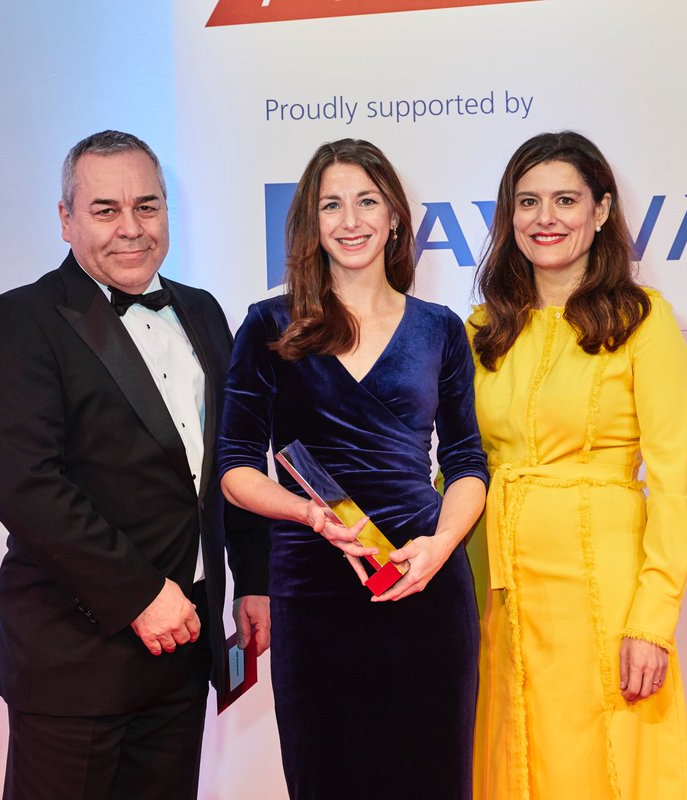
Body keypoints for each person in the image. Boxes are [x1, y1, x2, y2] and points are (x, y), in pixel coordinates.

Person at [0, 130, 270, 800]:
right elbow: (26, 484)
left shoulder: (202, 310)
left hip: (184, 646)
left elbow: (230, 457)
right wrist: (139, 595)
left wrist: (253, 577)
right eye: (106, 210)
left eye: (148, 207)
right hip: (77, 654)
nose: (131, 229)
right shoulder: (19, 320)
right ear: (66, 218)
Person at [217, 139, 488, 800]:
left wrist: (441, 546)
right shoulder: (268, 325)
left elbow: (465, 460)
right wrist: (307, 512)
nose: (350, 219)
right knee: (327, 777)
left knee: (430, 778)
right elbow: (233, 465)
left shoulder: (440, 329)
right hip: (314, 587)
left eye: (367, 201)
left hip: (424, 582)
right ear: (311, 223)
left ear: (395, 215)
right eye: (331, 204)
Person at [467, 131, 687, 799]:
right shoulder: (481, 330)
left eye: (565, 200)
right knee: (513, 763)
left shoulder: (644, 320)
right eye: (528, 201)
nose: (546, 219)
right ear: (509, 217)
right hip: (502, 599)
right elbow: (459, 471)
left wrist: (652, 622)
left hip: (606, 597)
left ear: (601, 211)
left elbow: (676, 484)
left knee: (608, 771)